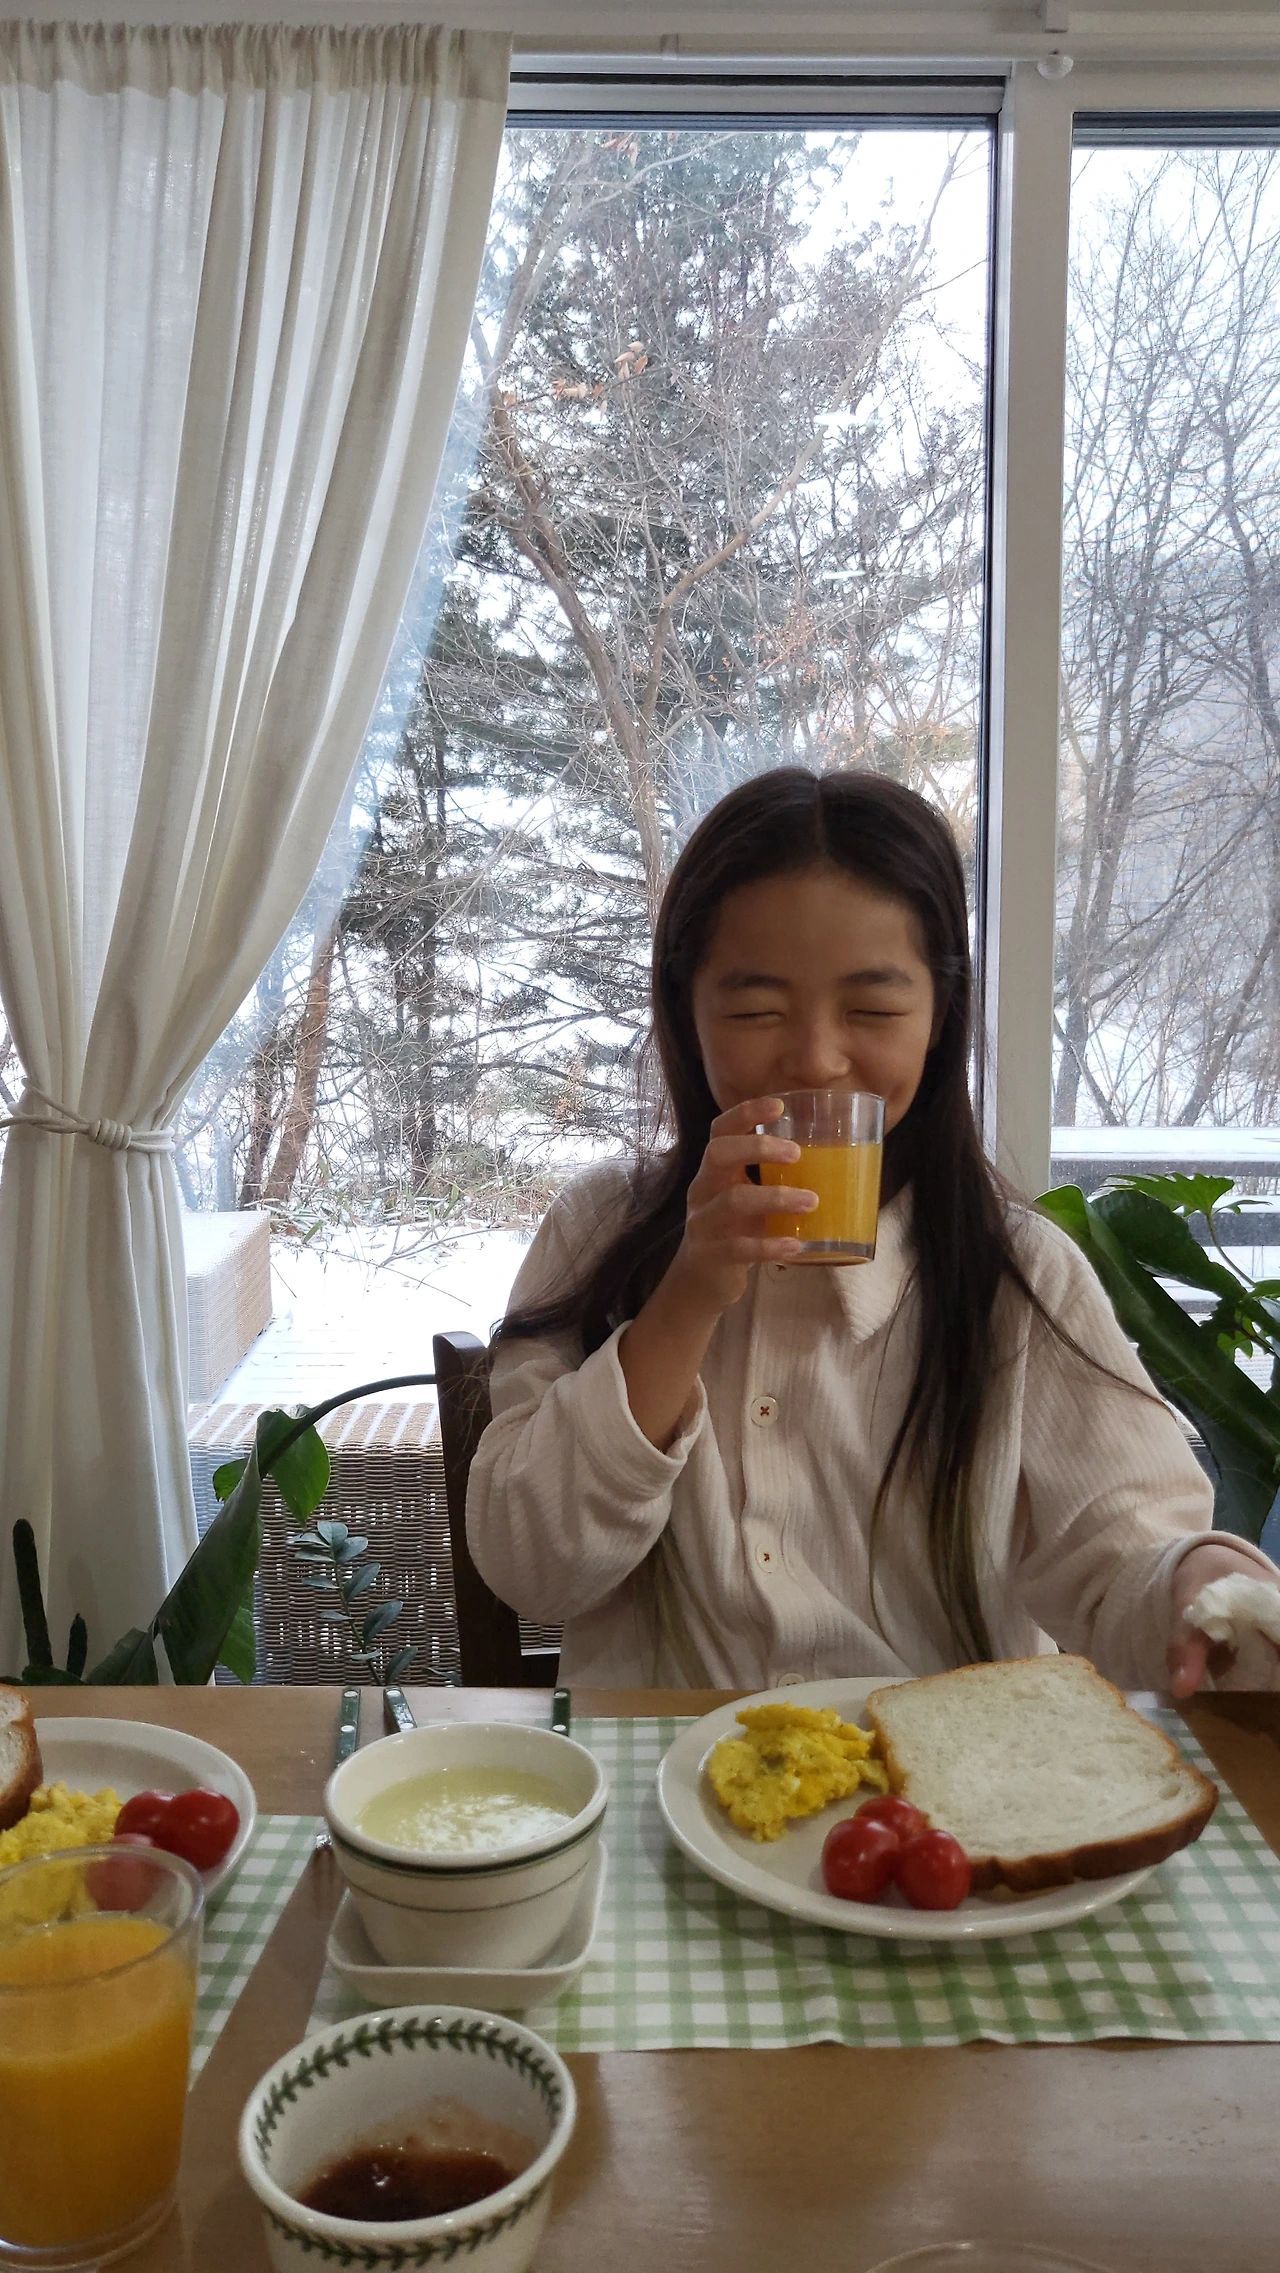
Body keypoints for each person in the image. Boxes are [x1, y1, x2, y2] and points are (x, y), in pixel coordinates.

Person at [466, 768, 1280, 1693]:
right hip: (661, 1768)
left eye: (874, 1009)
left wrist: (1205, 1579)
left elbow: (1126, 1554)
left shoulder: (1017, 1273)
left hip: (935, 1771)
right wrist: (684, 1300)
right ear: (687, 1013)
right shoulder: (596, 1230)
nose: (816, 1057)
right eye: (756, 1009)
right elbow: (530, 1566)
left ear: (938, 1018)